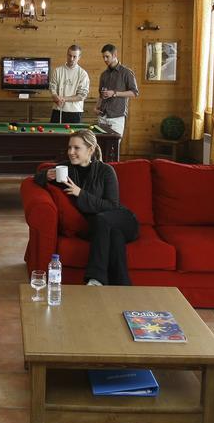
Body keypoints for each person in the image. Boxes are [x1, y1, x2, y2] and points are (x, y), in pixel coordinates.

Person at [34, 129, 138, 285]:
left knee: (102, 220)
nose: (71, 152)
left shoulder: (106, 171)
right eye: (69, 147)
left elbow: (112, 205)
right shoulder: (66, 170)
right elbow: (35, 178)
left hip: (123, 220)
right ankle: (122, 287)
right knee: (114, 238)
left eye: (76, 148)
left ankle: (95, 279)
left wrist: (80, 193)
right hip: (99, 228)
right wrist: (45, 175)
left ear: (90, 149)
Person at [95, 43, 139, 137]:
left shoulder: (126, 72)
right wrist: (96, 107)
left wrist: (114, 93)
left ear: (115, 55)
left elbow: (134, 93)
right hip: (102, 116)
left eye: (107, 56)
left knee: (113, 148)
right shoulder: (104, 74)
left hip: (117, 117)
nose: (105, 59)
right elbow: (101, 95)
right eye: (103, 57)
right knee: (100, 147)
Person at [49, 44, 90, 124]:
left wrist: (64, 99)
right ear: (67, 54)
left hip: (74, 112)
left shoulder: (83, 74)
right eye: (69, 55)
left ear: (79, 57)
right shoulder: (58, 71)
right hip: (58, 110)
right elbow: (52, 88)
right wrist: (55, 96)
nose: (71, 59)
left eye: (74, 57)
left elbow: (82, 95)